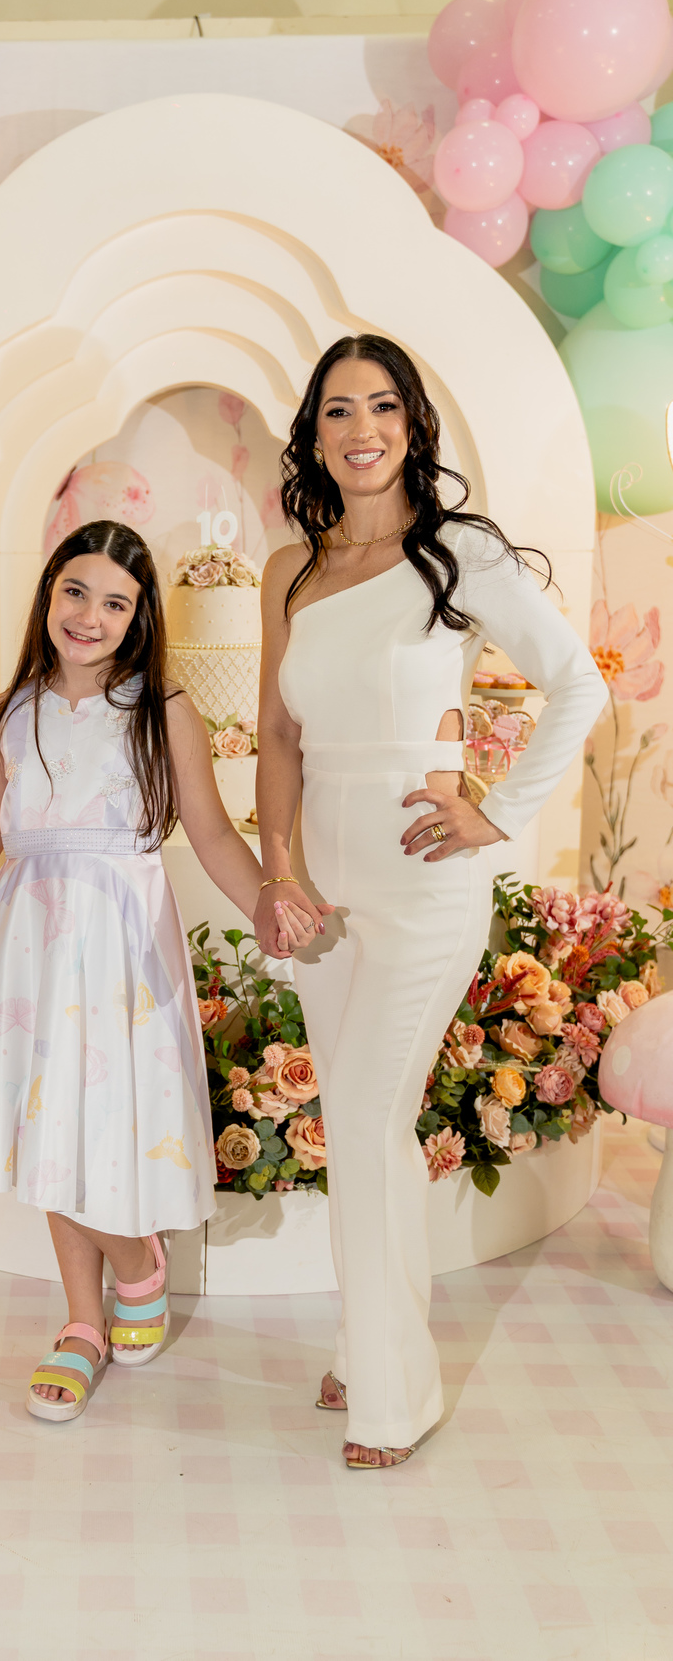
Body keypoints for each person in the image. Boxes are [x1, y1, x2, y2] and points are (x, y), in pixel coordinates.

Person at [253, 334, 607, 1469]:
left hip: (423, 882)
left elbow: (578, 683)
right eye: (337, 410)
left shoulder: (459, 552)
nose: (360, 429)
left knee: (364, 1118)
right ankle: (365, 1347)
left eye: (382, 407)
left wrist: (496, 813)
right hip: (323, 892)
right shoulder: (290, 569)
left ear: (411, 426)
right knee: (362, 1126)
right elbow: (276, 735)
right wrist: (279, 870)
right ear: (314, 434)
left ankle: (393, 1397)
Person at [0, 520, 276, 1422]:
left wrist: (268, 900)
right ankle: (83, 1321)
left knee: (99, 1118)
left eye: (115, 602)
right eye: (75, 591)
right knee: (45, 1123)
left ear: (140, 617)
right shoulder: (12, 711)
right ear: (48, 593)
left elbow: (215, 834)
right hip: (30, 946)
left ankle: (137, 1259)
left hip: (119, 950)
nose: (90, 616)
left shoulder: (160, 708)